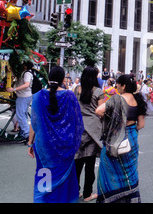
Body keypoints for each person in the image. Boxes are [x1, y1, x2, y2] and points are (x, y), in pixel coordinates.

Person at [27, 66, 84, 203]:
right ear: (63, 79)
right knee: (65, 180)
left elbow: (34, 124)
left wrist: (30, 143)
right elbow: (77, 123)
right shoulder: (69, 96)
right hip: (65, 146)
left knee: (44, 174)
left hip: (44, 147)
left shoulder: (38, 96)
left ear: (48, 78)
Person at [95, 74, 146, 203]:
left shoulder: (117, 99)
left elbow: (99, 111)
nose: (116, 86)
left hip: (116, 137)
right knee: (130, 170)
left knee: (109, 169)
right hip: (132, 138)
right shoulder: (138, 99)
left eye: (118, 84)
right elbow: (141, 124)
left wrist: (114, 121)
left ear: (123, 86)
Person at [73, 66, 105, 202]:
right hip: (93, 129)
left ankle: (75, 191)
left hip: (78, 128)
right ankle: (87, 194)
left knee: (77, 163)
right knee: (90, 163)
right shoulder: (98, 92)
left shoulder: (76, 90)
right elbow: (102, 112)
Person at [6, 61, 34, 141]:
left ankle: (27, 135)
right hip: (25, 96)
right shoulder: (26, 73)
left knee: (20, 116)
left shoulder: (27, 74)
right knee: (23, 115)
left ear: (25, 66)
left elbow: (27, 84)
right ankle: (23, 134)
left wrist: (13, 89)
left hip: (23, 96)